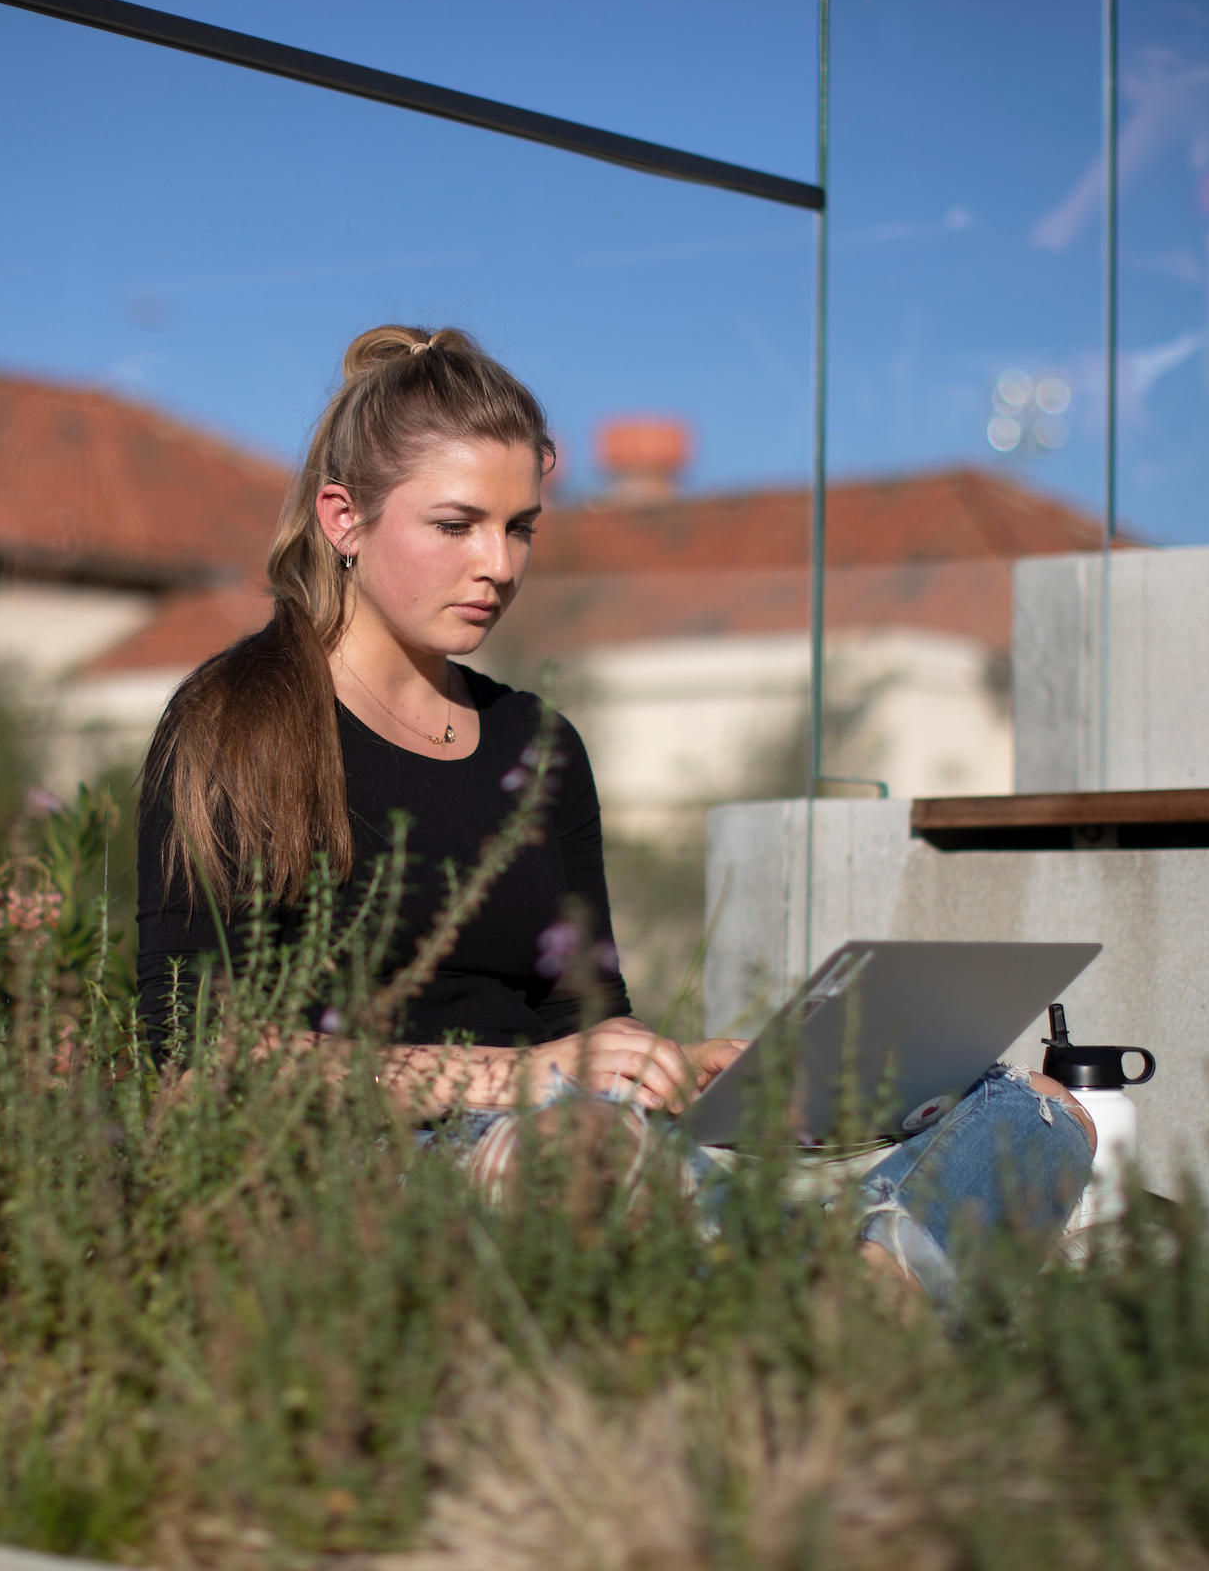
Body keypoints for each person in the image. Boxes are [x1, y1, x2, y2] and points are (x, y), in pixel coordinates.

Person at [136, 324, 1095, 1309]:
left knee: (1033, 1112)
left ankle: (843, 1296)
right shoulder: (238, 723)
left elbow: (581, 1022)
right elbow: (199, 1064)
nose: (498, 565)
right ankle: (853, 1293)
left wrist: (683, 1066)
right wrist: (520, 1079)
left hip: (603, 1135)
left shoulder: (538, 746)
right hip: (410, 1157)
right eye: (457, 525)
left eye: (521, 528)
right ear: (344, 518)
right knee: (583, 1144)